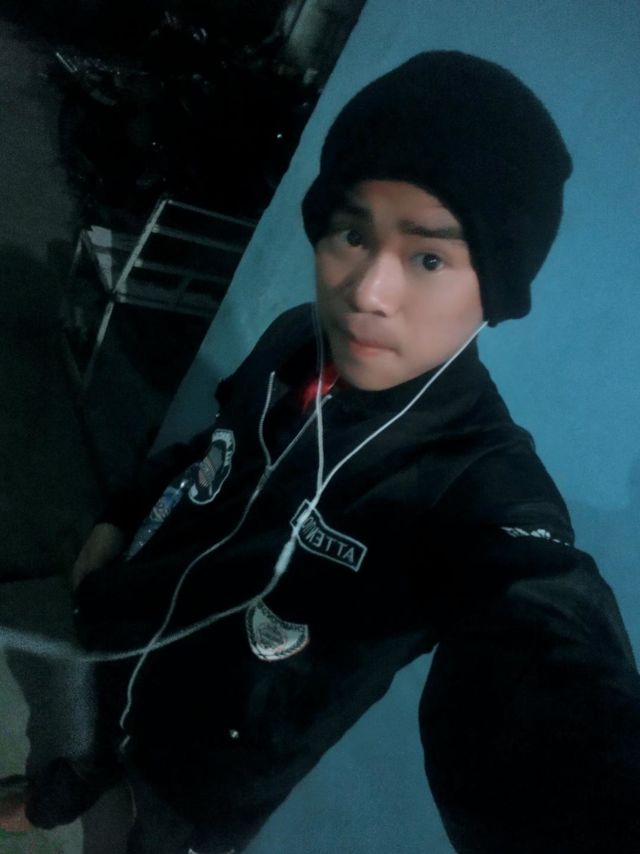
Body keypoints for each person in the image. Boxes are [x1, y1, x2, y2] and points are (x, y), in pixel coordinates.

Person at [3, 50, 640, 853]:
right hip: (107, 657)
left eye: (429, 257)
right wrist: (120, 516)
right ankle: (49, 797)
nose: (366, 291)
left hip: (202, 784)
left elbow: (544, 643)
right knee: (68, 764)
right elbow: (210, 449)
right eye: (351, 233)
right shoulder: (292, 340)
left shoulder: (479, 484)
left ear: (498, 288)